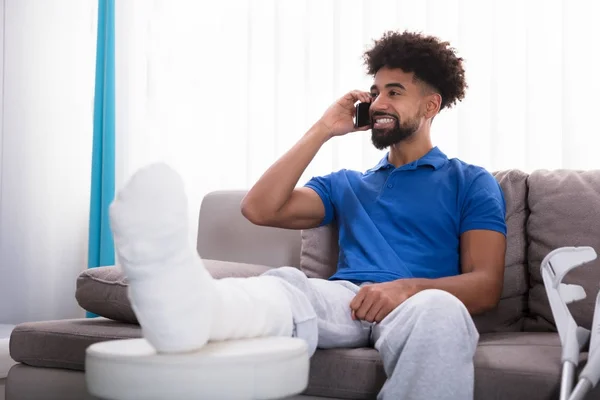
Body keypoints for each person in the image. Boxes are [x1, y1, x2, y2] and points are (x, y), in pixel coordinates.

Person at [109, 30, 507, 400]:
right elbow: (259, 208)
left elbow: (485, 285)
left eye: (395, 92)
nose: (378, 103)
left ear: (430, 104)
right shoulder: (346, 183)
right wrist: (323, 128)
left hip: (421, 303)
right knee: (287, 287)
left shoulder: (469, 181)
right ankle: (192, 312)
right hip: (346, 300)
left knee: (442, 313)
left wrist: (406, 289)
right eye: (375, 91)